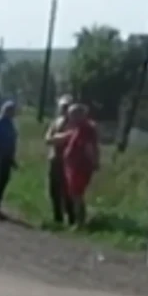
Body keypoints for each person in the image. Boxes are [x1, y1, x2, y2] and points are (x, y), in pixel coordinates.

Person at [49, 103, 99, 228]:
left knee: (77, 195)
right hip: (73, 166)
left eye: (73, 115)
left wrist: (93, 162)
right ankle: (78, 221)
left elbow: (89, 148)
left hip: (80, 167)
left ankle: (79, 222)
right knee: (74, 194)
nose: (70, 118)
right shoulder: (77, 128)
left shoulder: (85, 129)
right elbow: (52, 139)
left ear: (80, 115)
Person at [44, 94, 73, 225]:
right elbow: (48, 139)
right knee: (53, 189)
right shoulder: (56, 122)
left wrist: (57, 138)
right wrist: (58, 138)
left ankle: (71, 218)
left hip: (68, 161)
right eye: (62, 107)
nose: (64, 109)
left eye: (66, 107)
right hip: (54, 159)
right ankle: (58, 217)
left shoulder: (74, 123)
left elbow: (69, 138)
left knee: (68, 190)